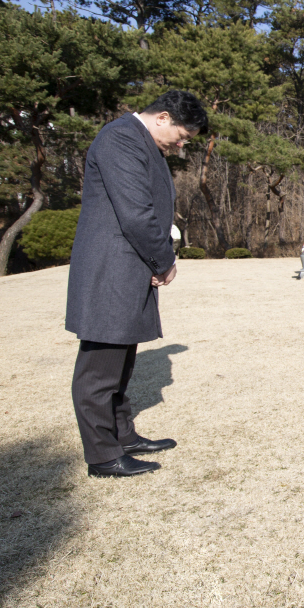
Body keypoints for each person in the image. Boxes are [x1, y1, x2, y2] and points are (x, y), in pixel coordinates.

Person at [66, 90, 208, 477]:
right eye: (181, 135)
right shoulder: (121, 138)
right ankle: (103, 456)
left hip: (127, 266)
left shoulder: (140, 140)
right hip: (111, 268)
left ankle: (123, 436)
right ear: (162, 117)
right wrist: (164, 259)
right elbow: (135, 212)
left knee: (122, 359)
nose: (181, 144)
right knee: (99, 370)